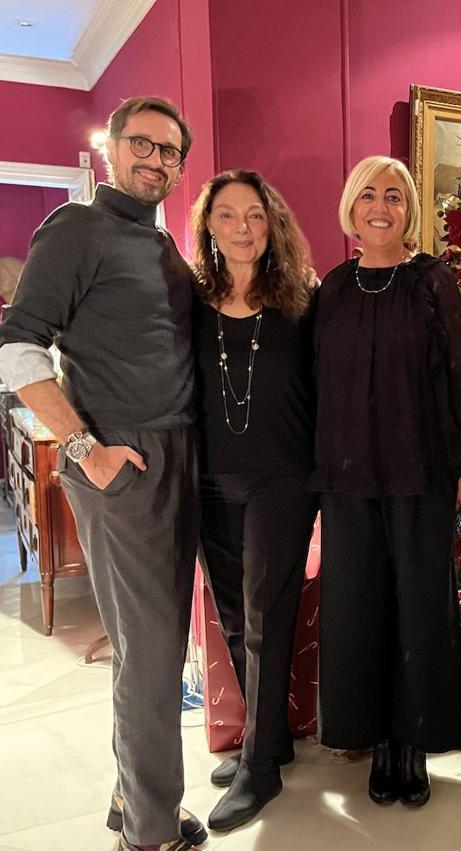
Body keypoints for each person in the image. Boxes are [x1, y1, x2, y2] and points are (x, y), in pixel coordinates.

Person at [0, 97, 206, 850]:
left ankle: (133, 793)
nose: (156, 158)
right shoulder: (78, 227)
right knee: (149, 655)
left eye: (170, 150)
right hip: (126, 461)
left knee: (160, 647)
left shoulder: (156, 241)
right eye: (141, 143)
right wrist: (86, 449)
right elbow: (15, 350)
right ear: (113, 148)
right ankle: (149, 834)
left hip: (179, 455)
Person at [310, 156, 461, 806]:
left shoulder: (430, 280)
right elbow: (313, 390)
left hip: (422, 473)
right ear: (351, 206)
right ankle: (375, 740)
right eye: (368, 194)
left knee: (419, 610)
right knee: (358, 611)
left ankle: (411, 742)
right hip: (349, 479)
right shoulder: (331, 289)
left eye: (393, 195)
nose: (380, 205)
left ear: (409, 209)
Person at [189, 169, 320, 832]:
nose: (241, 227)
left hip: (282, 481)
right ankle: (270, 739)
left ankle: (259, 767)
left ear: (273, 225)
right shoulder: (190, 300)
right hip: (211, 479)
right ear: (208, 226)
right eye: (227, 215)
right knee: (236, 620)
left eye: (255, 216)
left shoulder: (302, 302)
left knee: (268, 617)